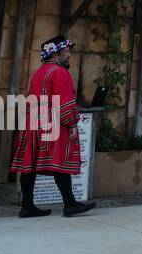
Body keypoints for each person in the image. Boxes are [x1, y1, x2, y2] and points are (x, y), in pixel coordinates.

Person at [9, 36, 95, 218]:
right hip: (52, 123)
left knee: (29, 165)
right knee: (59, 162)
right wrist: (71, 123)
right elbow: (65, 102)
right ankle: (70, 204)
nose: (69, 54)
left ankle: (27, 206)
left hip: (34, 123)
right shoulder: (60, 73)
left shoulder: (39, 72)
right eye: (66, 51)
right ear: (56, 54)